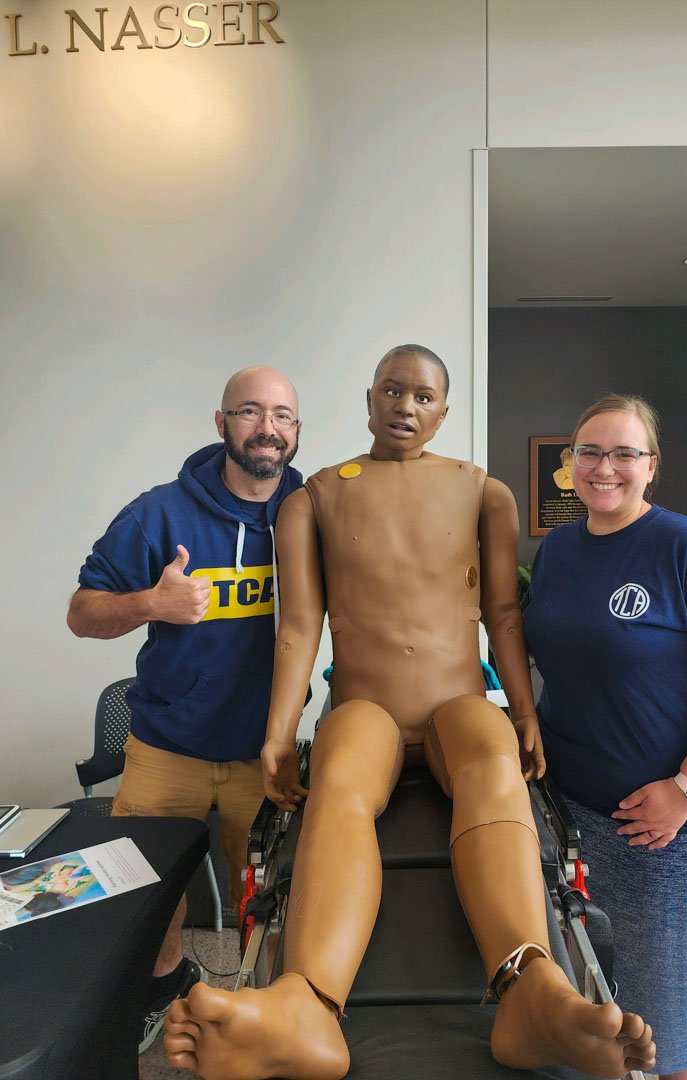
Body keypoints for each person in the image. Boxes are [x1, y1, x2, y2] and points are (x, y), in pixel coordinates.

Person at [164, 346, 656, 1080]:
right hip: (368, 706)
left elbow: (502, 615)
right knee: (336, 784)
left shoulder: (482, 492)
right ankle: (308, 1006)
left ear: (444, 412)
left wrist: (522, 710)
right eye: (392, 391)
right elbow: (297, 627)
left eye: (424, 397)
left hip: (460, 702)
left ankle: (532, 992)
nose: (405, 407)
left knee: (494, 763)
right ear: (368, 398)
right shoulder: (314, 499)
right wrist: (276, 736)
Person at [522, 393, 687, 1080]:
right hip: (572, 807)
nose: (605, 468)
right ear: (569, 466)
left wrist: (686, 790)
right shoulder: (560, 550)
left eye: (624, 453)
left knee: (675, 1014)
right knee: (592, 991)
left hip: (671, 827)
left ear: (652, 466)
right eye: (589, 453)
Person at [66, 366, 304, 1053]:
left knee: (277, 899)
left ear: (296, 429)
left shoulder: (312, 511)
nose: (267, 427)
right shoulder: (160, 512)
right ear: (221, 422)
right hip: (167, 745)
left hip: (268, 752)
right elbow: (82, 613)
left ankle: (263, 1015)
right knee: (148, 895)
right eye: (250, 411)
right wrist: (151, 604)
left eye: (283, 415)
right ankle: (164, 986)